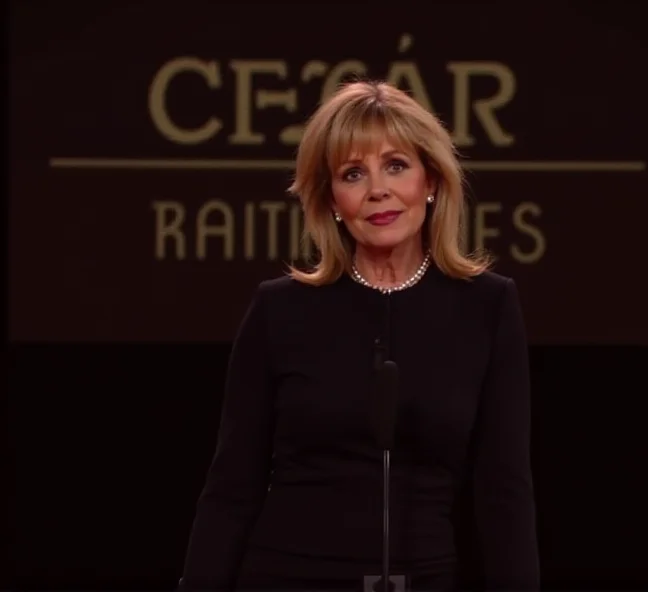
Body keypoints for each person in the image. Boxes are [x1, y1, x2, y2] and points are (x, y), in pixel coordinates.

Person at [177, 80, 540, 591]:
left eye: (396, 165)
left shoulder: (487, 307)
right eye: (353, 173)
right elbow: (232, 486)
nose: (378, 191)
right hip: (286, 577)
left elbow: (504, 490)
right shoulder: (278, 310)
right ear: (330, 201)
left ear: (431, 180)